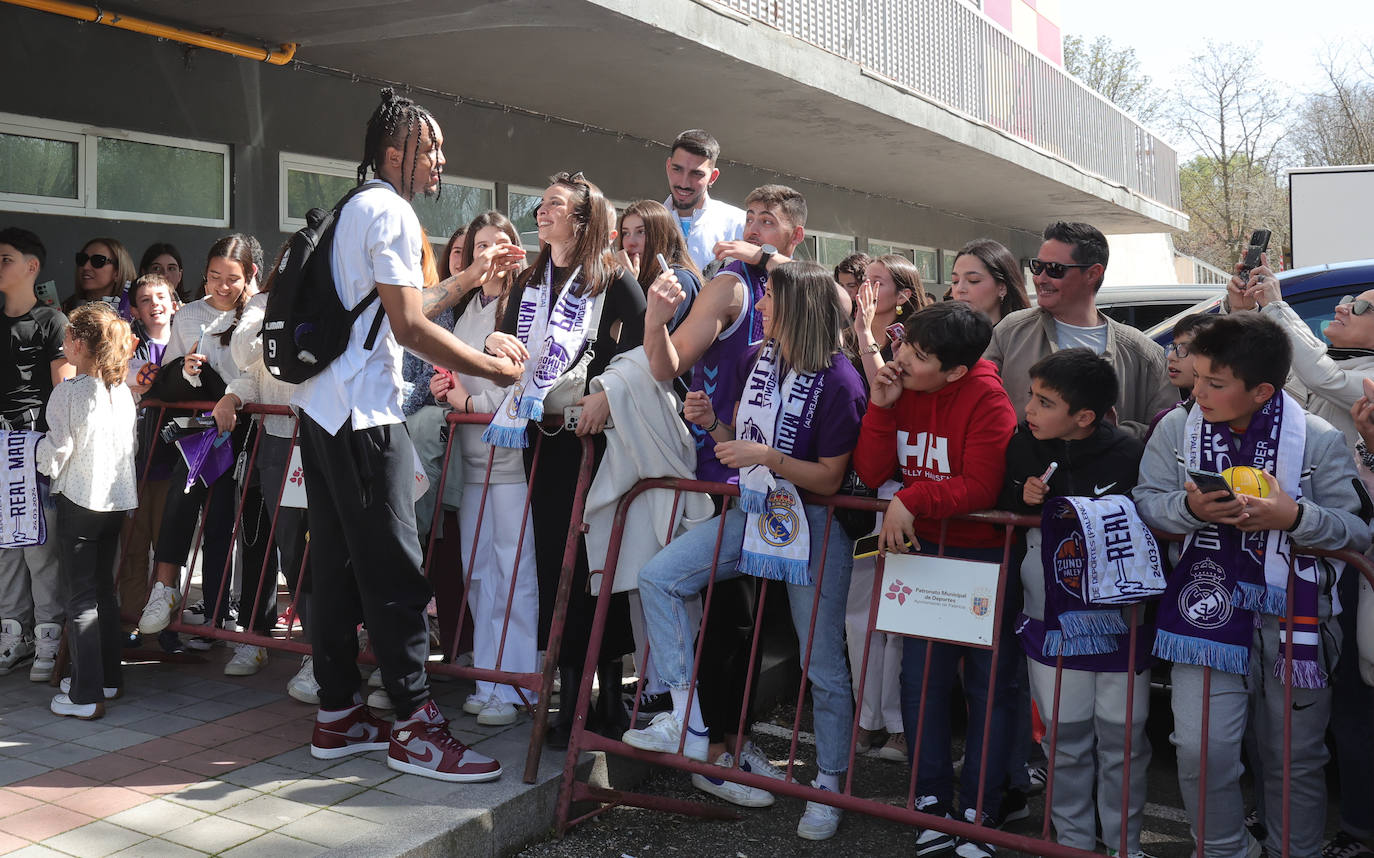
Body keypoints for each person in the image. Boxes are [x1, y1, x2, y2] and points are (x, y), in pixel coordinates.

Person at [293, 88, 518, 781]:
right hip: (366, 419)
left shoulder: (354, 205)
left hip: (323, 412)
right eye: (433, 147)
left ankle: (338, 714)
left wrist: (468, 279)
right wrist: (493, 369)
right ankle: (417, 727)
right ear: (397, 153)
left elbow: (396, 306)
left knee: (336, 569)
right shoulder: (390, 210)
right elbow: (410, 326)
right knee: (395, 575)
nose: (441, 159)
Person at [625, 260, 866, 842]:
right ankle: (686, 718)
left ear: (798, 308)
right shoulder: (760, 359)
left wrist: (767, 458)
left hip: (815, 521)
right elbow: (742, 444)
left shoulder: (842, 380)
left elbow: (830, 478)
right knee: (659, 577)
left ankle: (829, 786)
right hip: (755, 509)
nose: (759, 306)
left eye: (769, 298)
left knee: (821, 664)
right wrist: (714, 425)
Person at [1134, 313, 1371, 858]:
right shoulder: (1176, 427)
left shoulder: (1316, 437)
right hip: (1203, 613)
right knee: (1201, 749)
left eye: (1215, 383)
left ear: (1262, 390)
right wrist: (1190, 510)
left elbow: (1357, 529)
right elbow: (1146, 502)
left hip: (1298, 620)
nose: (1198, 392)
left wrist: (1294, 517)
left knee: (1294, 757)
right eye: (1197, 377)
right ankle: (1223, 850)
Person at [643, 183, 809, 801]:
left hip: (786, 481)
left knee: (752, 625)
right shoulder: (731, 285)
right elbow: (666, 365)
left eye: (769, 222)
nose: (754, 230)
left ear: (794, 236)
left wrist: (767, 260)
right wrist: (655, 321)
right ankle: (710, 748)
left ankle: (726, 742)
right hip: (729, 475)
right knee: (728, 618)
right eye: (751, 219)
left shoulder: (797, 288)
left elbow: (840, 304)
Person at [851, 301, 1018, 858]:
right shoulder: (900, 388)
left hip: (980, 558)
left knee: (986, 688)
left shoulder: (988, 399)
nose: (901, 358)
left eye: (919, 356)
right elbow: (871, 470)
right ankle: (930, 801)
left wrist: (913, 497)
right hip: (921, 555)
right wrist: (880, 407)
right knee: (920, 682)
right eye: (904, 345)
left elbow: (982, 486)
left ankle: (980, 809)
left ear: (956, 371)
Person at [486, 170, 646, 748]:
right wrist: (492, 344)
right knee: (558, 567)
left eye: (554, 204)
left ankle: (610, 698)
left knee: (598, 564)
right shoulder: (531, 279)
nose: (541, 212)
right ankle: (570, 695)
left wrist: (608, 392)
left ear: (583, 220)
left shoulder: (612, 277)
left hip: (595, 443)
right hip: (543, 441)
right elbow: (504, 343)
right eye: (542, 204)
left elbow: (645, 353)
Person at [1229, 259, 1374, 858]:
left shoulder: (1357, 377)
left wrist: (1276, 303)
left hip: (1344, 555)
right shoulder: (1339, 367)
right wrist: (1245, 315)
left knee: (1353, 696)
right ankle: (1286, 815)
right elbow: (1271, 383)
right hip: (1318, 558)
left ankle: (1352, 827)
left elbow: (1317, 372)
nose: (1342, 306)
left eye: (1360, 305)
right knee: (1321, 708)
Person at [999, 349, 1152, 858]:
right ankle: (1071, 843)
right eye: (1031, 396)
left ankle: (1125, 843)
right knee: (1063, 738)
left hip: (1118, 618)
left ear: (1085, 416)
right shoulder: (1022, 445)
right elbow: (1002, 498)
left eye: (1045, 402)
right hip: (1049, 616)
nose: (1029, 409)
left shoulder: (1128, 452)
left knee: (1124, 738)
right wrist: (1022, 496)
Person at [429, 210, 538, 727]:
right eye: (481, 245)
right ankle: (489, 678)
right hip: (470, 462)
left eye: (501, 242)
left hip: (511, 462)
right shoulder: (467, 306)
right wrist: (446, 390)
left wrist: (467, 402)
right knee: (477, 572)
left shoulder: (527, 303)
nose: (491, 252)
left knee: (513, 573)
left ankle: (514, 686)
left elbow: (523, 382)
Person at [137, 235, 257, 652]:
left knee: (223, 519)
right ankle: (167, 589)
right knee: (184, 494)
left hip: (242, 426)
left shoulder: (257, 312)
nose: (222, 286)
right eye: (213, 276)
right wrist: (187, 370)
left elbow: (256, 373)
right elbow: (168, 374)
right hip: (198, 430)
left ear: (249, 276)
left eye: (232, 278)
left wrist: (228, 398)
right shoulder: (188, 314)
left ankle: (217, 613)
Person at [209, 243, 314, 689]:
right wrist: (232, 396)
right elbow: (246, 358)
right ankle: (273, 639)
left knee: (319, 549)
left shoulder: (333, 299)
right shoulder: (263, 302)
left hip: (324, 439)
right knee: (285, 543)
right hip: (275, 441)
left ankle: (321, 650)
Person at [37, 302, 137, 719]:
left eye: (67, 336)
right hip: (116, 500)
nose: (64, 343)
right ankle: (107, 679)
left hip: (79, 499)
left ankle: (85, 694)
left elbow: (57, 451)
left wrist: (37, 455)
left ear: (78, 343)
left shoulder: (68, 391)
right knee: (102, 591)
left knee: (79, 597)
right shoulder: (122, 391)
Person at [983, 222, 1174, 438]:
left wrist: (1108, 435)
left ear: (1093, 273)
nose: (1040, 278)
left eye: (1054, 269)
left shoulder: (1144, 355)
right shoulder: (1010, 333)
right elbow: (978, 407)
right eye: (1037, 266)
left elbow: (1167, 436)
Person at [0, 227, 71, 680]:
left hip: (35, 446)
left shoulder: (52, 323)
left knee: (39, 546)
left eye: (5, 258)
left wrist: (57, 448)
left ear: (32, 267)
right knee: (6, 545)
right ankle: (13, 632)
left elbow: (64, 391)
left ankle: (49, 633)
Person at [116, 274, 178, 650]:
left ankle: (167, 627)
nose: (154, 304)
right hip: (133, 464)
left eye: (160, 296)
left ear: (174, 303)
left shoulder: (186, 343)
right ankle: (131, 622)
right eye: (145, 299)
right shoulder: (127, 346)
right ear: (136, 310)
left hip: (173, 462)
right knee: (133, 548)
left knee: (167, 548)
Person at [663, 129, 745, 273]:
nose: (684, 183)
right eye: (677, 169)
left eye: (696, 174)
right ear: (668, 167)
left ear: (713, 177)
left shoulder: (739, 224)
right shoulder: (645, 223)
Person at [616, 199, 702, 333]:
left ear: (662, 235)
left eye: (641, 232)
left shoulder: (677, 279)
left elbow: (645, 337)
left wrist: (630, 288)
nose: (630, 242)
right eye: (625, 233)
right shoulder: (637, 277)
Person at [851, 254, 929, 387]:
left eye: (877, 283)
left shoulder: (911, 343)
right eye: (864, 281)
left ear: (901, 297)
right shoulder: (847, 336)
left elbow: (883, 390)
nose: (865, 288)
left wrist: (864, 332)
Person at [949, 239, 1030, 327]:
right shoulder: (943, 332)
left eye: (973, 280)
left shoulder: (1024, 333)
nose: (959, 289)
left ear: (1002, 288)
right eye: (955, 281)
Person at [65, 238, 135, 313]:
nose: (85, 267)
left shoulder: (134, 312)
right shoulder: (65, 308)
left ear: (118, 272)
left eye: (98, 261)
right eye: (82, 259)